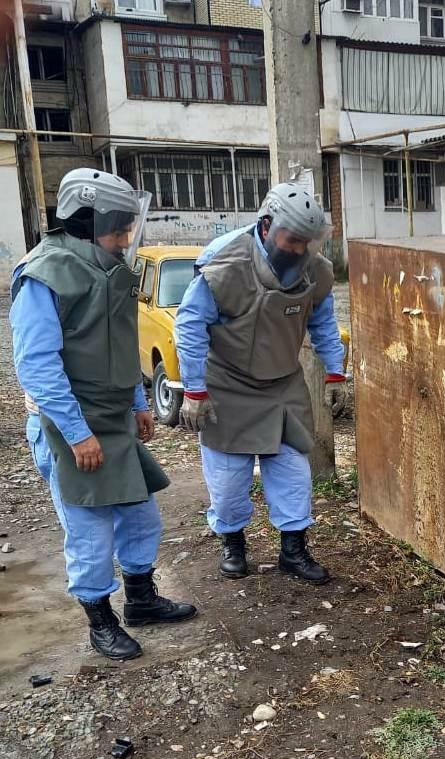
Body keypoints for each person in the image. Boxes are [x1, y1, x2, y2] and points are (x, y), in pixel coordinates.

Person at [10, 168, 197, 662]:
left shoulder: (110, 267)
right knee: (91, 530)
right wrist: (77, 434)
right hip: (68, 425)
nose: (126, 238)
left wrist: (138, 402)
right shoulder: (45, 273)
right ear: (86, 220)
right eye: (118, 227)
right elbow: (37, 365)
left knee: (141, 516)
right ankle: (100, 621)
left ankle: (141, 600)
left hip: (115, 420)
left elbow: (121, 342)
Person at [175, 181, 347, 585]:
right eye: (293, 240)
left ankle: (293, 550)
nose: (300, 250)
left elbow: (323, 322)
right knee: (229, 482)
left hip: (283, 385)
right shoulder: (225, 262)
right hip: (227, 385)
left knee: (293, 473)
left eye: (308, 242)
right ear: (267, 226)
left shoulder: (314, 269)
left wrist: (335, 371)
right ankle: (233, 544)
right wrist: (194, 390)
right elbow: (190, 326)